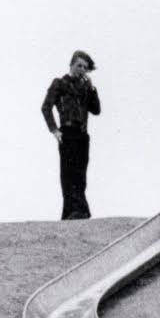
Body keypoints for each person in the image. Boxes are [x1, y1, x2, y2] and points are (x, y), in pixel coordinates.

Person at [41, 51, 101, 220]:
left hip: (83, 134)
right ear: (71, 64)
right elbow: (46, 107)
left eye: (85, 68)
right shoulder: (60, 83)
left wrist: (91, 87)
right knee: (68, 173)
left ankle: (78, 212)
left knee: (81, 174)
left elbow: (96, 110)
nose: (82, 69)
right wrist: (54, 130)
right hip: (66, 132)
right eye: (79, 65)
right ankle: (73, 211)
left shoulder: (85, 88)